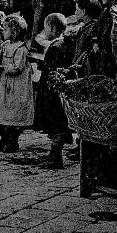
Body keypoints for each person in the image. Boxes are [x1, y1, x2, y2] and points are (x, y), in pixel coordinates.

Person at [0, 13, 35, 153]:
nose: (3, 31)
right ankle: (4, 139)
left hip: (15, 85)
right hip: (4, 83)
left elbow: (18, 67)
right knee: (3, 109)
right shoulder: (5, 45)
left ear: (15, 32)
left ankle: (12, 141)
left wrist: (2, 68)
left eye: (6, 29)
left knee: (13, 111)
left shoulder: (21, 49)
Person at [34, 12, 72, 168]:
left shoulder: (55, 47)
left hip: (51, 92)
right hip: (58, 91)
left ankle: (56, 157)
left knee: (54, 124)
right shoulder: (64, 44)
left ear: (51, 27)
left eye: (45, 28)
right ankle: (53, 154)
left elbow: (51, 71)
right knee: (57, 123)